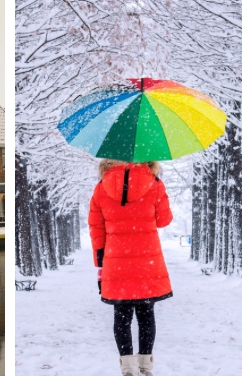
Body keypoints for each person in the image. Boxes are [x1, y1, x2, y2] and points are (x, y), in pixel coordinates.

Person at [89, 159, 172, 376]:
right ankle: (145, 367)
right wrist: (160, 194)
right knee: (146, 314)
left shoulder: (101, 188)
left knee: (122, 316)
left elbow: (96, 228)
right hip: (147, 261)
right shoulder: (154, 184)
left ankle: (128, 369)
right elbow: (164, 220)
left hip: (116, 261)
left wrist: (100, 262)